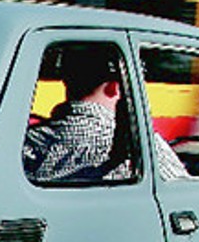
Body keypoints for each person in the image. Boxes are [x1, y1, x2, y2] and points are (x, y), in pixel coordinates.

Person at [22, 45, 188, 183]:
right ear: (116, 87)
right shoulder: (140, 146)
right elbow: (182, 194)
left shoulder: (28, 143)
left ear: (66, 80)